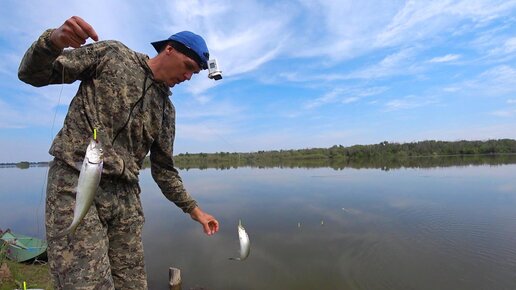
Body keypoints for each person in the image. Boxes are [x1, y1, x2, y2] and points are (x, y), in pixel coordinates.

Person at [18, 16, 219, 289]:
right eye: (188, 67)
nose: (187, 77)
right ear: (169, 49)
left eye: (193, 74)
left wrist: (196, 211)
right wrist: (52, 42)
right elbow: (33, 74)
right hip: (75, 185)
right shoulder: (112, 55)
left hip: (126, 202)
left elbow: (164, 170)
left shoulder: (166, 111)